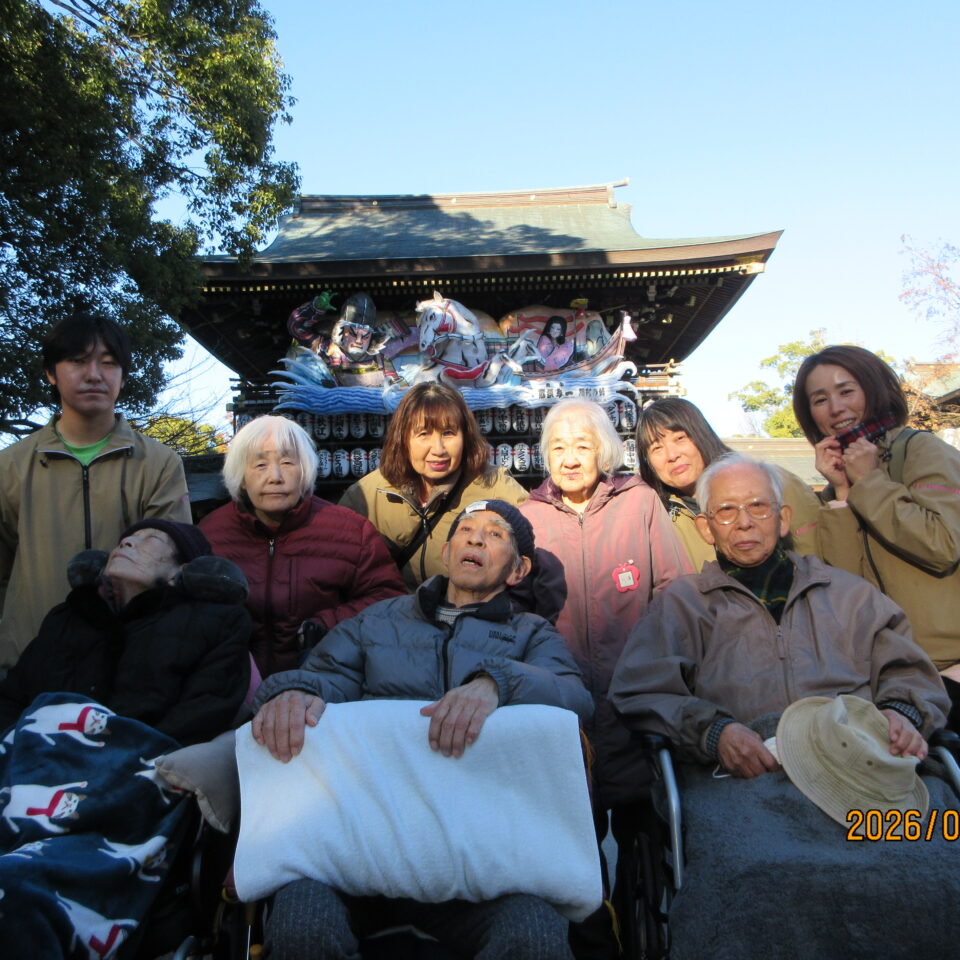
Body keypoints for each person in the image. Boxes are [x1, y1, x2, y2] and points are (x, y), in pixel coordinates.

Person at [608, 454, 954, 959]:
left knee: (932, 862)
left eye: (758, 506)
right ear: (705, 528)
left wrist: (903, 713)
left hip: (865, 770)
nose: (744, 522)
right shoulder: (683, 604)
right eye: (726, 511)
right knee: (760, 877)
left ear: (783, 518)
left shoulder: (849, 594)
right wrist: (713, 731)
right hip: (748, 781)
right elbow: (641, 688)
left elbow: (909, 672)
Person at [252, 500, 592, 960]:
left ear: (518, 570)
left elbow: (575, 700)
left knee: (533, 935)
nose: (476, 538)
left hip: (485, 865)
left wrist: (498, 683)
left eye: (495, 534)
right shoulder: (377, 620)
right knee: (301, 921)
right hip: (361, 852)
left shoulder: (533, 635)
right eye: (465, 530)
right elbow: (326, 679)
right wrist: (293, 692)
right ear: (446, 553)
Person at [516, 398, 690, 959]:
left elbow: (673, 589)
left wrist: (663, 669)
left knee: (648, 842)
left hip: (637, 704)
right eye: (558, 446)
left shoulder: (639, 502)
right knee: (574, 849)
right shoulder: (527, 516)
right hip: (565, 714)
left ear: (605, 451)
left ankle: (647, 938)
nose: (570, 458)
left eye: (582, 445)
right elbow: (517, 614)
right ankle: (594, 946)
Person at [0, 313, 191, 669]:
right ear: (51, 373)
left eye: (108, 363)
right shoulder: (10, 466)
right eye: (77, 361)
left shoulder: (159, 463)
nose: (94, 374)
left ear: (123, 376)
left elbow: (169, 567)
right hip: (29, 660)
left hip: (128, 660)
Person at [792, 345, 960, 729]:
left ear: (874, 388)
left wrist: (869, 482)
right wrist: (842, 493)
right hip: (886, 674)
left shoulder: (920, 450)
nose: (836, 408)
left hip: (948, 667)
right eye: (820, 399)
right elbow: (847, 585)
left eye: (846, 391)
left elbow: (942, 544)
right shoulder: (839, 482)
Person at [0, 519, 251, 746]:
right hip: (33, 757)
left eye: (151, 539)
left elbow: (202, 712)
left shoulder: (216, 623)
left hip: (140, 766)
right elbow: (13, 697)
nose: (127, 543)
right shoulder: (68, 616)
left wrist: (127, 757)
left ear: (181, 571)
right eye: (126, 539)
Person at [200, 415, 405, 679]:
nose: (275, 477)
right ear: (241, 476)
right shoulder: (209, 534)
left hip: (326, 682)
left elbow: (389, 599)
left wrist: (325, 625)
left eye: (287, 463)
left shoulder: (352, 530)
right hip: (230, 686)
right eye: (260, 465)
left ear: (305, 470)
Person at [340, 382, 528, 589]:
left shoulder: (495, 487)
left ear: (465, 436)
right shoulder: (368, 495)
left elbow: (533, 560)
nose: (438, 449)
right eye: (423, 434)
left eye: (448, 433)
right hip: (392, 608)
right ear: (402, 438)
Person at [636, 397, 822, 570]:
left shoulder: (773, 482)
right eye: (657, 448)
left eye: (680, 438)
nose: (672, 455)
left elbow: (815, 558)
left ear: (701, 434)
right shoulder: (658, 518)